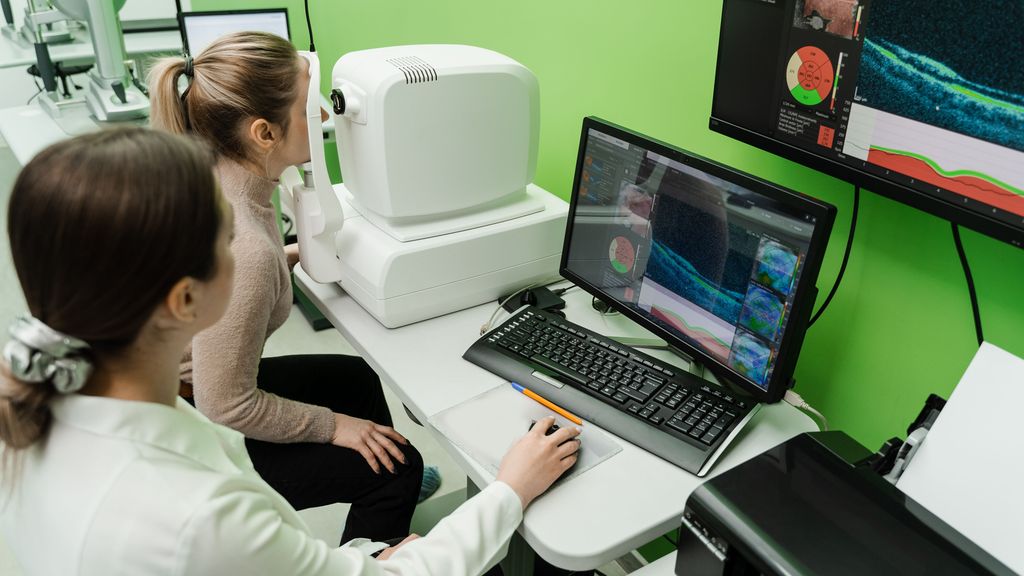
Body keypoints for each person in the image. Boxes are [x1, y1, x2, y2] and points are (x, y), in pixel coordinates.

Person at [0, 128, 581, 575]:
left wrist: (354, 559)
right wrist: (511, 488)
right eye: (228, 242)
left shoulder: (48, 404)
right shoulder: (199, 518)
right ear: (184, 300)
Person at [148, 32, 432, 543]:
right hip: (198, 430)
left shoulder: (220, 180)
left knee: (356, 380)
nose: (322, 115)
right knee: (402, 467)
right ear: (264, 133)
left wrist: (291, 255)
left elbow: (232, 281)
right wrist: (335, 427)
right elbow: (225, 405)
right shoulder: (246, 249)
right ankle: (378, 533)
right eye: (307, 108)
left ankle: (383, 476)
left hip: (190, 387)